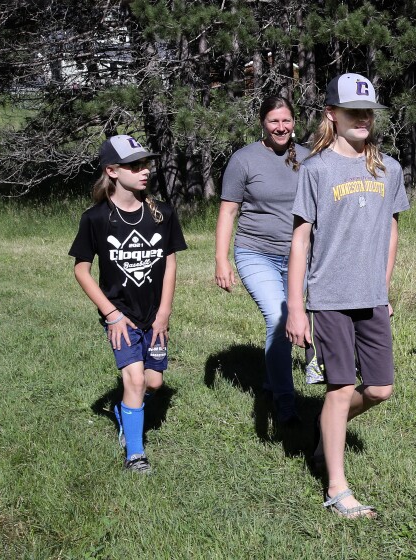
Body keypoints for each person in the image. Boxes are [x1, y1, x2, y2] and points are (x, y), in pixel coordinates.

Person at [285, 73, 410, 519]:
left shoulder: (388, 168)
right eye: (353, 111)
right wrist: (296, 307)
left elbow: (392, 228)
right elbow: (300, 240)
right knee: (339, 390)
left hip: (371, 296)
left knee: (380, 389)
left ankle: (326, 431)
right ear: (331, 115)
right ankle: (337, 488)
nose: (362, 118)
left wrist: (384, 284)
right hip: (329, 297)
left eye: (369, 112)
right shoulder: (316, 170)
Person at [70, 134, 187, 473]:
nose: (144, 171)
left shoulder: (162, 213)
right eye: (134, 166)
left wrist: (164, 312)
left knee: (153, 383)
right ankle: (135, 453)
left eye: (145, 164)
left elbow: (170, 263)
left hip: (155, 315)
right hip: (120, 316)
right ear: (112, 170)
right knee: (134, 380)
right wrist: (111, 314)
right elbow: (81, 270)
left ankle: (125, 409)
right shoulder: (95, 218)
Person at [215, 96, 310, 424]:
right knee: (280, 316)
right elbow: (228, 211)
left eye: (286, 121)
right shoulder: (244, 160)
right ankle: (285, 399)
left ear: (294, 122)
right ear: (262, 124)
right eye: (273, 121)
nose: (281, 127)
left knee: (303, 317)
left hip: (299, 256)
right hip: (256, 252)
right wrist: (221, 260)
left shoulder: (308, 158)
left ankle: (273, 378)